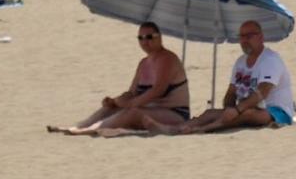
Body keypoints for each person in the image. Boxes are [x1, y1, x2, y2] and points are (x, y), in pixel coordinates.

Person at [46, 22, 191, 135]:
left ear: (159, 37)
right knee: (111, 107)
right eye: (140, 38)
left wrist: (131, 104)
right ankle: (79, 126)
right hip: (151, 108)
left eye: (149, 37)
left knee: (134, 112)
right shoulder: (143, 63)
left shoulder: (167, 59)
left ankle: (91, 129)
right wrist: (115, 101)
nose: (144, 42)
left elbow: (158, 91)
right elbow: (132, 92)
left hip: (174, 113)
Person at [174, 21, 294, 133]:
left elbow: (262, 92)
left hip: (275, 111)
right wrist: (229, 108)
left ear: (261, 37)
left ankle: (207, 128)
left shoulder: (270, 60)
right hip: (245, 108)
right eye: (241, 37)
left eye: (249, 36)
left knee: (249, 114)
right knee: (209, 113)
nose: (244, 40)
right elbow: (231, 92)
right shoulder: (240, 62)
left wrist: (236, 110)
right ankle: (181, 127)